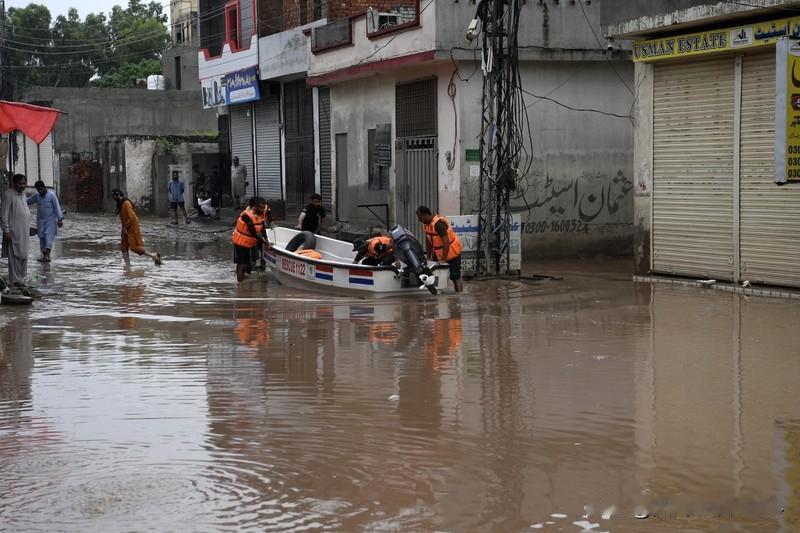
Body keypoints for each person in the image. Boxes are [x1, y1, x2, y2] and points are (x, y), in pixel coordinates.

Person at [416, 205, 464, 292]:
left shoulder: (439, 224)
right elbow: (428, 240)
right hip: (438, 253)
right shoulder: (426, 225)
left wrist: (443, 259)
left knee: (455, 276)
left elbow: (446, 242)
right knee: (433, 274)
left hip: (452, 253)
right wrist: (429, 256)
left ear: (425, 215)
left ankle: (458, 297)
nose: (419, 220)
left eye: (420, 217)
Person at [112, 189, 162, 267]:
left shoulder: (126, 203)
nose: (114, 198)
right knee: (123, 247)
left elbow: (133, 217)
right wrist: (124, 228)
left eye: (115, 196)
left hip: (132, 228)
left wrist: (126, 227)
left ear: (120, 195)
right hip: (125, 228)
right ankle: (128, 265)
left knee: (134, 247)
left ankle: (153, 255)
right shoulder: (121, 204)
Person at [0, 174, 32, 285]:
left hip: (24, 231)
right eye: (20, 183)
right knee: (14, 256)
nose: (22, 186)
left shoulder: (23, 195)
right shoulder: (8, 195)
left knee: (24, 255)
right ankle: (14, 280)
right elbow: (4, 214)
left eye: (24, 183)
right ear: (14, 183)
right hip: (13, 232)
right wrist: (6, 230)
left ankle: (21, 279)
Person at [232, 196, 269, 282]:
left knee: (250, 263)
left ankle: (245, 279)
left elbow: (262, 229)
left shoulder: (261, 215)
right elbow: (253, 232)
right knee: (242, 263)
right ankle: (240, 285)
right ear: (254, 207)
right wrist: (266, 243)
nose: (263, 210)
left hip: (251, 242)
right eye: (260, 208)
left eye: (264, 208)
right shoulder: (246, 216)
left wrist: (267, 240)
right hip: (240, 242)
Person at [26, 180, 64, 263]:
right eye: (38, 190)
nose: (40, 191)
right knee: (41, 237)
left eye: (41, 189)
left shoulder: (52, 195)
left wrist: (60, 219)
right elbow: (28, 201)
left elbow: (57, 207)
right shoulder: (37, 196)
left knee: (48, 236)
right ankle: (44, 255)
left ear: (44, 187)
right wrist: (20, 199)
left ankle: (47, 256)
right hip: (40, 220)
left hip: (51, 221)